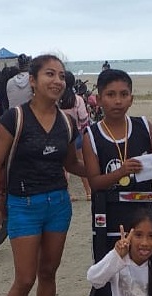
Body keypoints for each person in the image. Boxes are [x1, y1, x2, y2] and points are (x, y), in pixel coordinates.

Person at [0, 54, 86, 296]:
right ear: (33, 80)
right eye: (49, 74)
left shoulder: (67, 122)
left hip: (58, 204)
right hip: (24, 205)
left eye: (61, 76)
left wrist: (108, 173)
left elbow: (72, 164)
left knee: (48, 272)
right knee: (25, 278)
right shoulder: (14, 118)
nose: (57, 81)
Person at [81, 68, 152, 296]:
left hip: (143, 221)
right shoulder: (91, 135)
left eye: (124, 94)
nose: (118, 101)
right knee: (109, 277)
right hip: (108, 222)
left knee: (144, 276)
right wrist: (120, 172)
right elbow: (95, 182)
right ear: (98, 99)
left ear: (131, 98)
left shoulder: (143, 126)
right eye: (111, 94)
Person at [59, 70, 91, 200]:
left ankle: (67, 193)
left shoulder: (56, 99)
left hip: (60, 135)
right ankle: (88, 192)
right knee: (80, 163)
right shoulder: (77, 99)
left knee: (62, 167)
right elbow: (83, 119)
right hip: (76, 135)